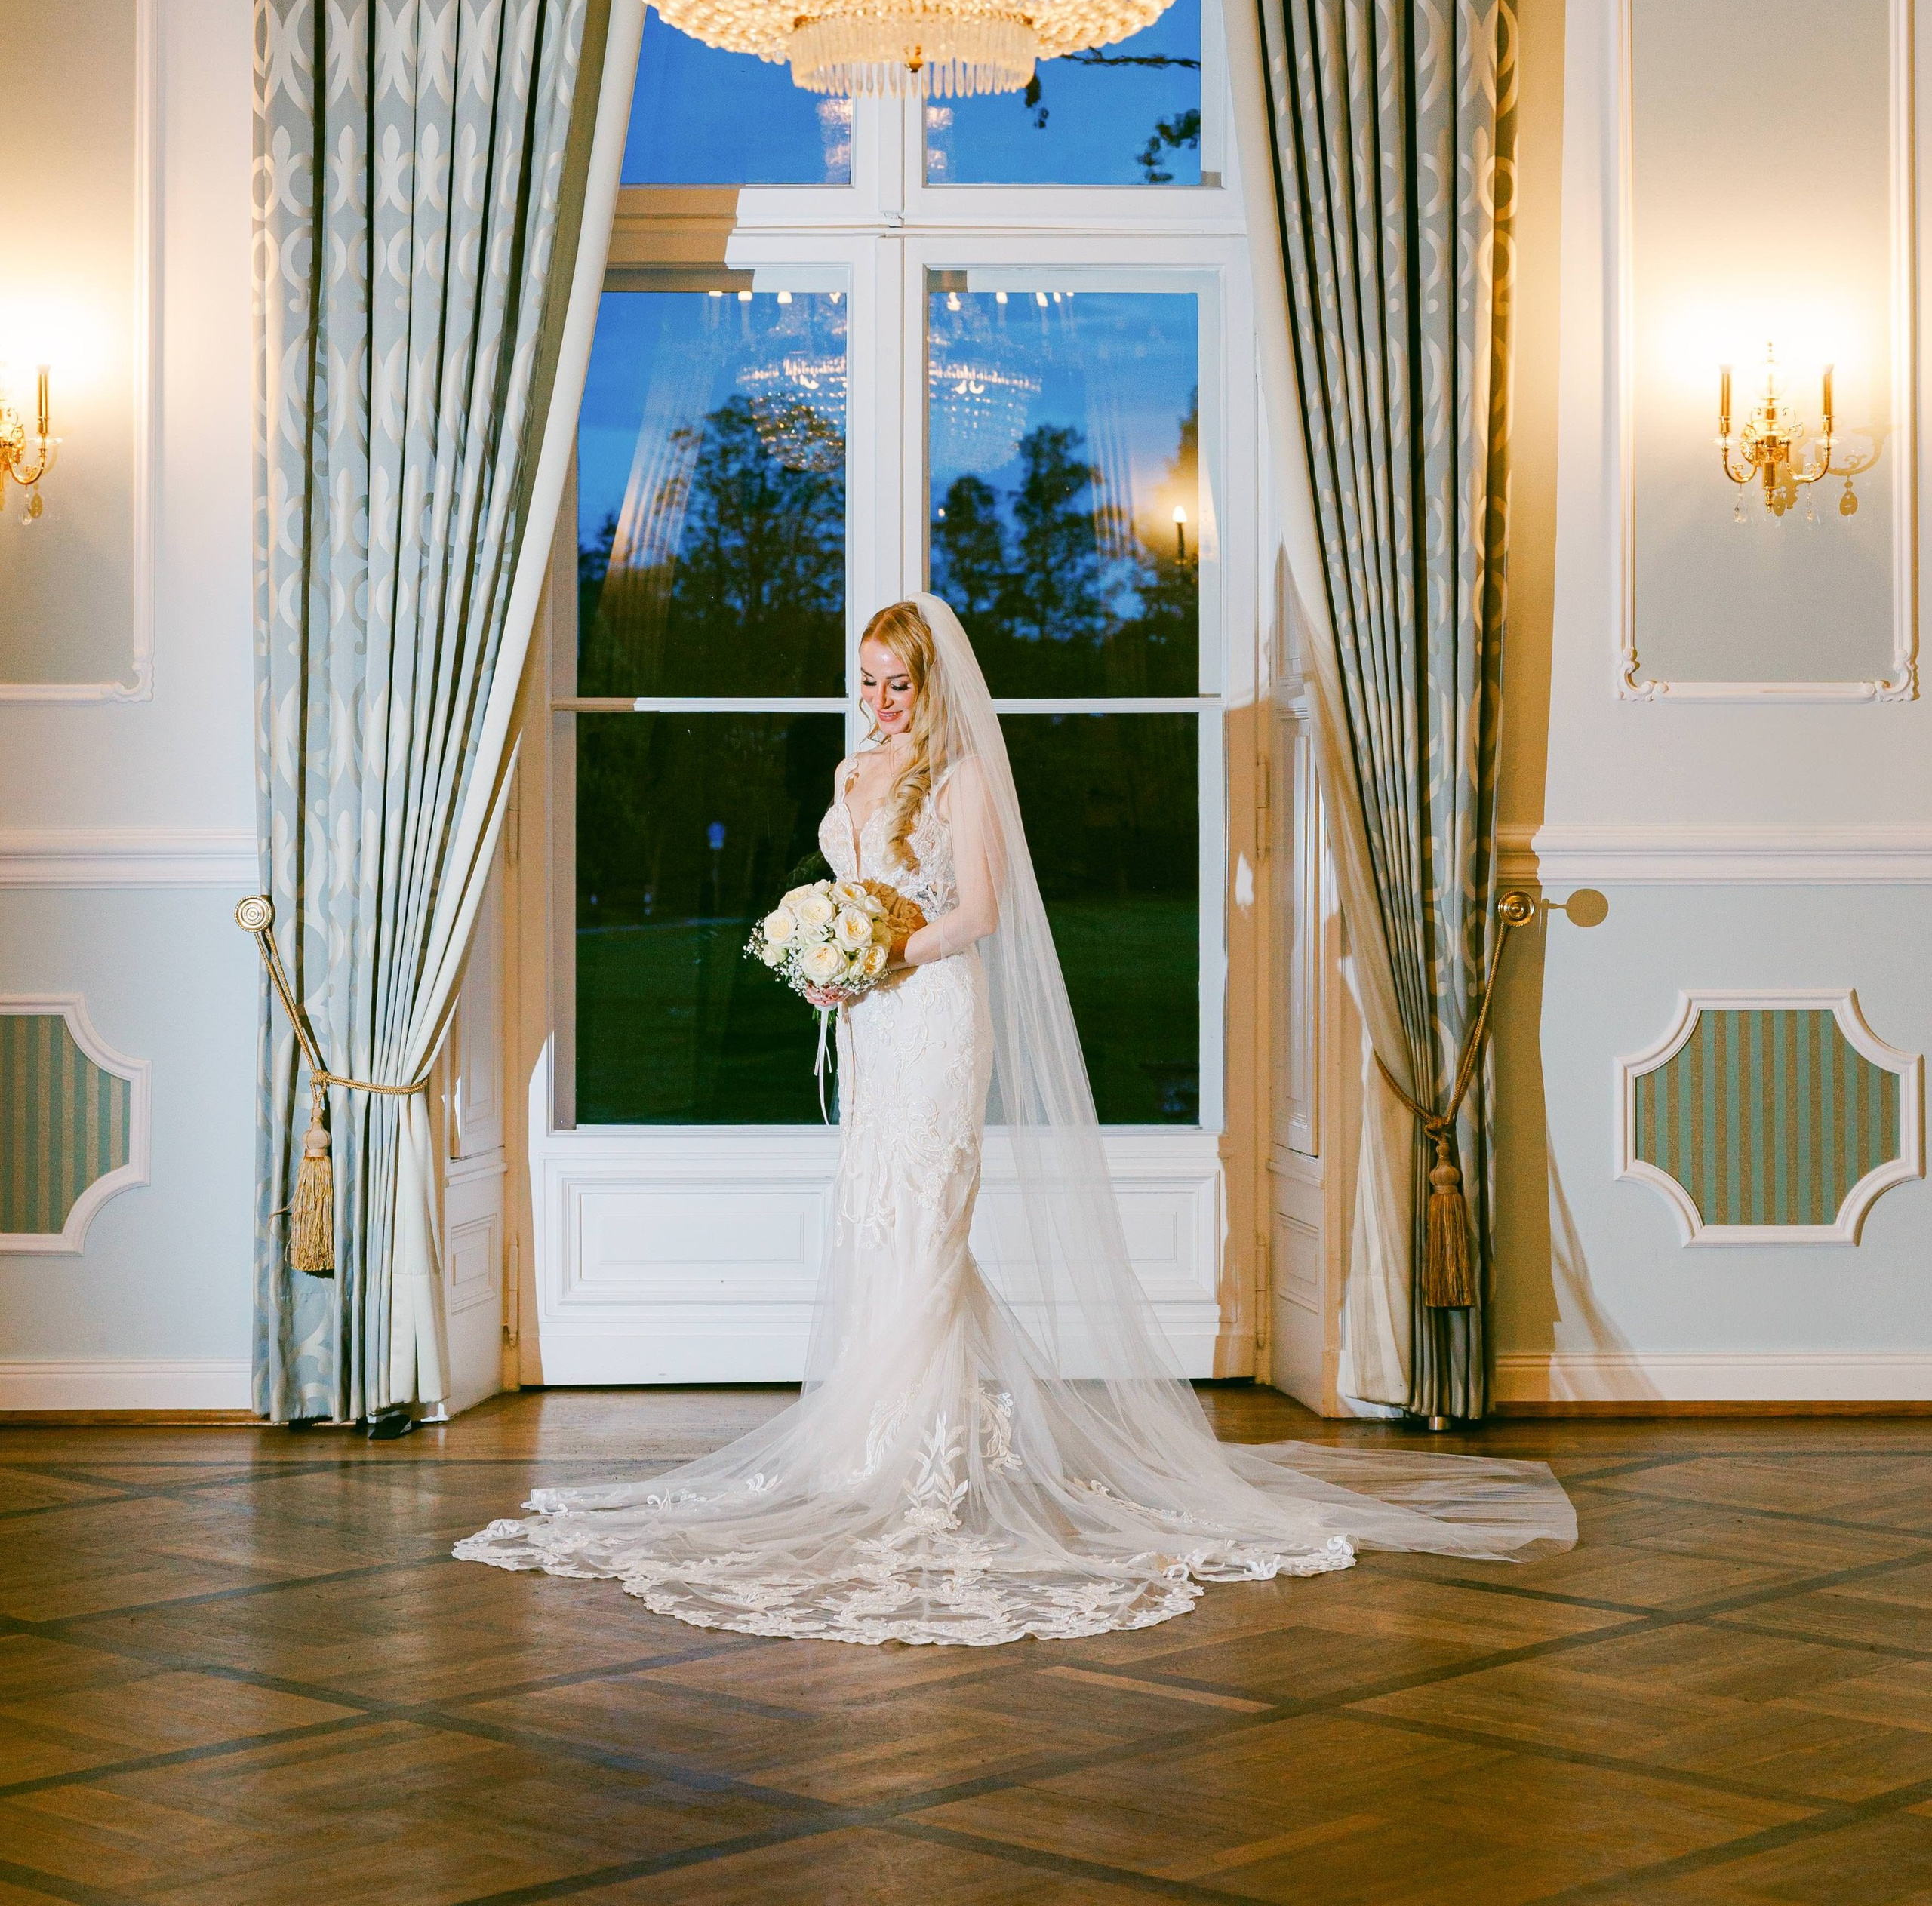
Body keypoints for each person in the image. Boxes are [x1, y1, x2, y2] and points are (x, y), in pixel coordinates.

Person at [457, 594, 1574, 1645]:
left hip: (936, 1018)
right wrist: (824, 963)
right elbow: (849, 893)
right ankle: (887, 1440)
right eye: (867, 684)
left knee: (929, 1225)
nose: (880, 705)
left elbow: (977, 914)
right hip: (871, 1026)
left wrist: (882, 953)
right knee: (882, 1226)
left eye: (897, 686)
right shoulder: (852, 771)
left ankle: (917, 1462)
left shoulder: (961, 783)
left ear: (934, 685)